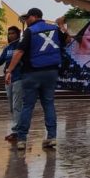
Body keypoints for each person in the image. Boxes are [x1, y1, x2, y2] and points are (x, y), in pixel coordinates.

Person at [4, 8, 67, 151]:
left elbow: (19, 51)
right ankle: (51, 137)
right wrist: (61, 25)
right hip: (51, 72)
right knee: (49, 104)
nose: (26, 21)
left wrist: (9, 70)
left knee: (28, 106)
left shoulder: (30, 31)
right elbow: (68, 40)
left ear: (34, 17)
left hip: (32, 73)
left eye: (27, 18)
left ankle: (22, 139)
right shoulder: (55, 29)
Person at [0, 26, 23, 142]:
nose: (10, 35)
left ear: (18, 34)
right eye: (9, 33)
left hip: (19, 78)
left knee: (17, 105)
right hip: (8, 79)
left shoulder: (21, 45)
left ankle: (17, 131)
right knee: (11, 105)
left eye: (13, 33)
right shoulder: (7, 48)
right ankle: (17, 128)